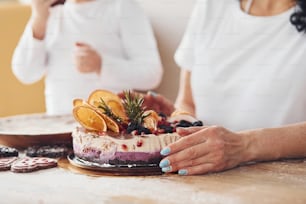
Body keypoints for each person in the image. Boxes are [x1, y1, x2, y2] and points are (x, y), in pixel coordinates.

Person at [144, 0, 306, 175]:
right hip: (205, 182)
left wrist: (244, 145)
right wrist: (178, 120)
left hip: (283, 185)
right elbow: (188, 102)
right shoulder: (211, 6)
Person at [11, 0, 162, 115]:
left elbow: (152, 73)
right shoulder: (51, 12)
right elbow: (25, 74)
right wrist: (38, 20)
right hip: (58, 125)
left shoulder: (122, 6)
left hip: (111, 125)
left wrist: (101, 65)